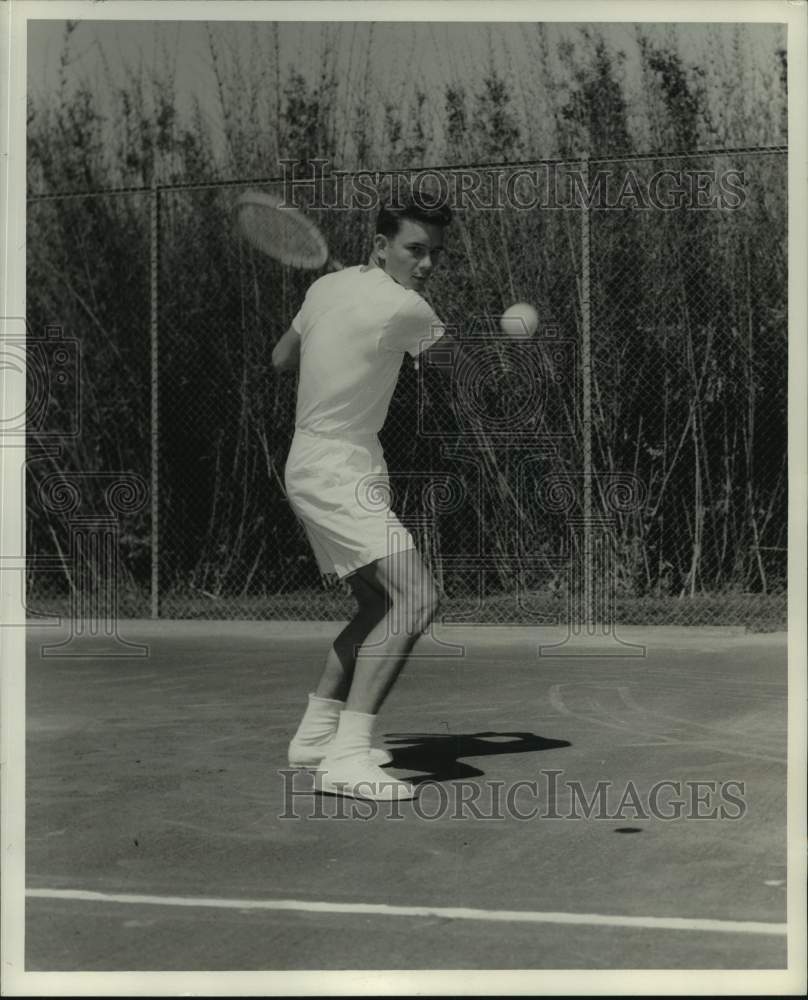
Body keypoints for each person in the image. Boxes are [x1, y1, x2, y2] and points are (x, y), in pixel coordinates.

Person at [272, 192, 454, 801]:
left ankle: (317, 737)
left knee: (379, 606)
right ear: (381, 246)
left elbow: (280, 357)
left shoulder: (325, 288)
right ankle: (349, 757)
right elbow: (460, 369)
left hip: (312, 460)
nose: (425, 263)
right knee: (418, 597)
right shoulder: (406, 307)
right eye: (414, 249)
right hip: (338, 466)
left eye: (434, 253)